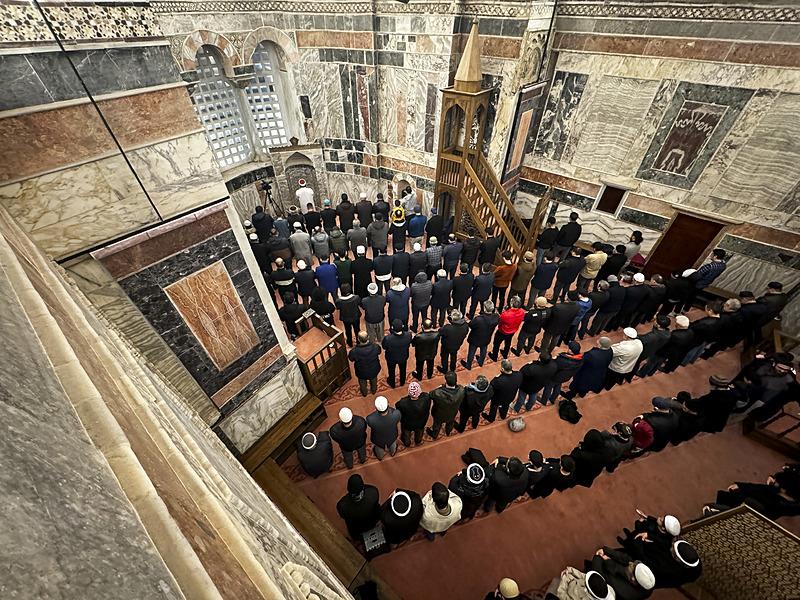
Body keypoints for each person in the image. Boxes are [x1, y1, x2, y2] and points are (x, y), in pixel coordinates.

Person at [625, 538, 702, 589]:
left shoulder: (666, 569)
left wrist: (638, 541)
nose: (670, 548)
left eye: (672, 550)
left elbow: (642, 558)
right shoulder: (694, 563)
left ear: (676, 558)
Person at [590, 547, 655, 600]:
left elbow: (598, 576)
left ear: (633, 579)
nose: (630, 563)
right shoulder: (646, 578)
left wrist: (598, 558)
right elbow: (627, 558)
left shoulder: (622, 590)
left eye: (632, 566)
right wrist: (606, 551)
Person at [336, 474, 380, 539]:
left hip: (356, 530)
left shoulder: (341, 505)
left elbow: (343, 516)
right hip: (372, 523)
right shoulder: (373, 492)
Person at [540, 341, 583, 406]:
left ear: (571, 351)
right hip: (565, 377)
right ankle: (552, 399)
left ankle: (544, 400)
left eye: (569, 348)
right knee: (558, 385)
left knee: (548, 387)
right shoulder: (580, 359)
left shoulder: (564, 361)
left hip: (556, 376)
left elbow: (554, 366)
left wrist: (555, 359)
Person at [683, 301, 723, 365]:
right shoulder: (721, 319)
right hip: (707, 338)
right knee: (699, 349)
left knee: (691, 350)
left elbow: (694, 328)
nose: (705, 311)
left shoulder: (705, 323)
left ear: (710, 311)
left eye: (706, 309)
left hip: (697, 338)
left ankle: (684, 362)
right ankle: (692, 360)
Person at [462, 301, 499, 369]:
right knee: (483, 350)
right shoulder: (496, 317)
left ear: (484, 308)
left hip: (475, 338)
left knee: (471, 352)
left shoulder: (478, 319)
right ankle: (481, 362)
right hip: (487, 337)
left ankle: (468, 365)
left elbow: (470, 325)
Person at [540, 290, 580, 355]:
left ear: (568, 297)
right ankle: (550, 350)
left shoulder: (558, 306)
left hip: (552, 326)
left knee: (546, 338)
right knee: (556, 339)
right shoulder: (577, 307)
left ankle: (543, 350)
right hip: (563, 326)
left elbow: (549, 313)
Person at [427, 370, 464, 439]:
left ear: (446, 381)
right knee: (450, 423)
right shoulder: (461, 390)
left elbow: (430, 394)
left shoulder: (438, 393)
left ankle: (434, 435)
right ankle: (448, 432)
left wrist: (439, 388)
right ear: (456, 380)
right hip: (453, 413)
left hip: (439, 414)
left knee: (437, 425)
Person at [490, 296, 526, 362]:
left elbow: (500, 322)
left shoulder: (505, 314)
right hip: (512, 331)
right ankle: (505, 354)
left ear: (511, 303)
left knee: (496, 344)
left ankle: (494, 356)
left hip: (502, 331)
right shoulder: (522, 312)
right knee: (508, 342)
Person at [396, 381, 431, 447]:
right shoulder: (426, 398)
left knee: (406, 434)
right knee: (419, 432)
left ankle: (407, 443)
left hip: (407, 424)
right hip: (421, 422)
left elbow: (397, 406)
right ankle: (418, 441)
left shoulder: (403, 402)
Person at [348, 331, 381, 396]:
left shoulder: (354, 351)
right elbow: (379, 352)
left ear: (358, 339)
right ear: (368, 337)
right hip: (374, 369)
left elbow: (351, 359)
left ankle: (364, 393)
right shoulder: (375, 347)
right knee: (374, 381)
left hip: (361, 371)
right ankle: (374, 391)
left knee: (362, 383)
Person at [382, 319, 412, 388]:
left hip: (391, 358)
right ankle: (402, 382)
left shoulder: (388, 338)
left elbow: (384, 347)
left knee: (391, 371)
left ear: (392, 328)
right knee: (403, 369)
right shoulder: (408, 335)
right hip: (403, 357)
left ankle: (392, 383)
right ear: (402, 326)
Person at [438, 309, 469, 374]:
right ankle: (452, 368)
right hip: (457, 345)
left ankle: (444, 369)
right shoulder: (466, 325)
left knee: (444, 356)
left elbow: (440, 332)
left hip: (446, 346)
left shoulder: (448, 328)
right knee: (454, 355)